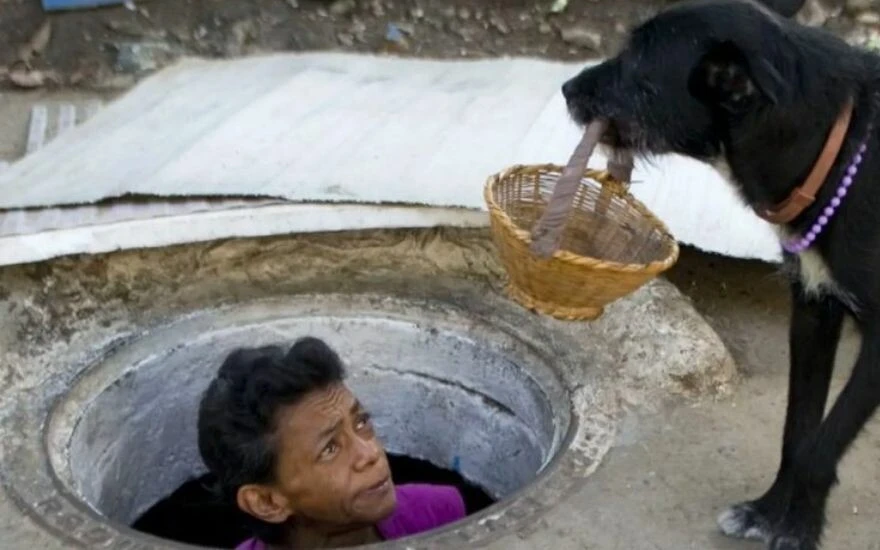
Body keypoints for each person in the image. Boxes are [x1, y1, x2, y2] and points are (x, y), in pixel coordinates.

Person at [197, 337, 466, 549]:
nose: (371, 452)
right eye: (330, 449)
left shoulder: (438, 516)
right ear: (267, 502)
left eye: (361, 422)